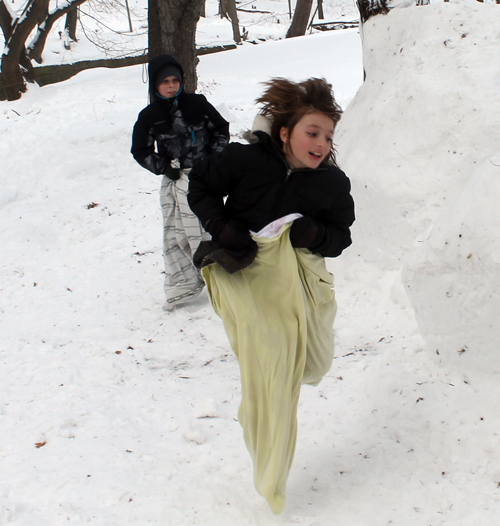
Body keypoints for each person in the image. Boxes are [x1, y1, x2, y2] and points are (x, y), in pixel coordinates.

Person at [188, 78, 355, 514]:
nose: (320, 144)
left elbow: (341, 237)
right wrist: (222, 228)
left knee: (314, 363)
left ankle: (269, 387)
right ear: (285, 132)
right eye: (312, 133)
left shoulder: (332, 184)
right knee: (276, 368)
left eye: (328, 136)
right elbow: (200, 187)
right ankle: (267, 447)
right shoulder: (245, 160)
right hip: (246, 276)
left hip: (296, 280)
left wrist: (313, 232)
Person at [131, 54, 230, 310]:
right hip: (177, 181)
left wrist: (215, 159)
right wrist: (163, 167)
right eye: (165, 81)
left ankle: (223, 278)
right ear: (155, 85)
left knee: (209, 226)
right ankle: (184, 283)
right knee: (177, 234)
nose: (172, 85)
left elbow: (220, 128)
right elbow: (140, 150)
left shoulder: (197, 104)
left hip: (205, 179)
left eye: (176, 80)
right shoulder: (149, 116)